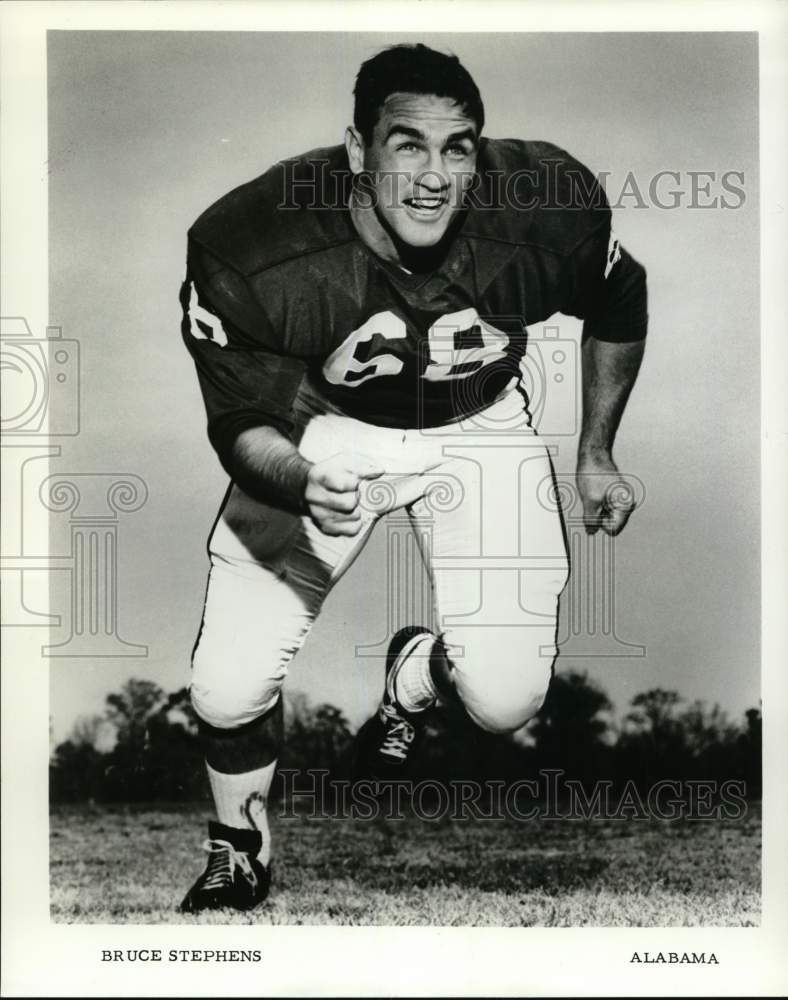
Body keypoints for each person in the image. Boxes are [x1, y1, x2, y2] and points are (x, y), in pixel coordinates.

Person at [178, 43, 647, 912]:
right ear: (356, 148)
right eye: (407, 145)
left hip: (480, 422)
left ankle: (413, 680)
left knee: (506, 700)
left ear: (482, 148)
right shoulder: (255, 241)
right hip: (322, 428)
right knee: (227, 685)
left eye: (458, 146)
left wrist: (596, 450)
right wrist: (296, 476)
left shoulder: (549, 202)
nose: (434, 176)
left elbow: (621, 299)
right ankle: (239, 846)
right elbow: (240, 420)